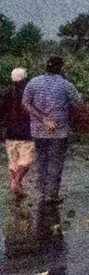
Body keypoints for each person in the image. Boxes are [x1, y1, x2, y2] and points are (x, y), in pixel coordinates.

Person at [22, 57, 82, 202]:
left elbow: (25, 103)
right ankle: (52, 194)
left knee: (41, 160)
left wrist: (42, 119)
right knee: (55, 161)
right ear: (60, 68)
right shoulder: (66, 85)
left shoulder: (33, 82)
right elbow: (79, 104)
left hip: (37, 130)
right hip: (59, 131)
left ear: (46, 67)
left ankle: (42, 193)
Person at [1, 68, 34, 195]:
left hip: (10, 132)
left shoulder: (7, 92)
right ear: (25, 77)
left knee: (13, 160)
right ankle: (16, 181)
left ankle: (15, 182)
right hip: (26, 132)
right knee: (25, 161)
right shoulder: (30, 92)